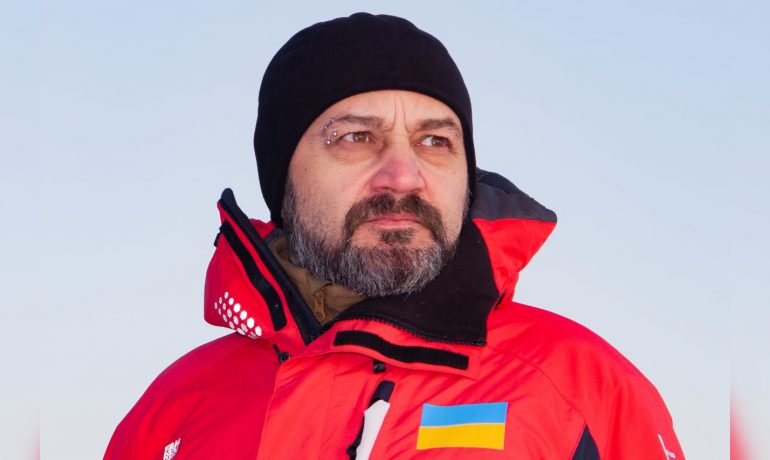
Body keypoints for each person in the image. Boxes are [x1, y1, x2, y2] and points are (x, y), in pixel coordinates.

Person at [105, 13, 684, 459]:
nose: (405, 176)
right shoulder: (177, 408)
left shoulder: (581, 386)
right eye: (356, 137)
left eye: (436, 142)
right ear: (283, 178)